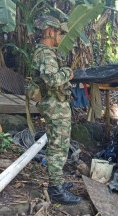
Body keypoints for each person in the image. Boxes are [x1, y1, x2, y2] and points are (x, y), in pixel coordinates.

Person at [32, 15, 81, 204]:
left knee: (59, 145)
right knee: (57, 147)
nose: (60, 37)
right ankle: (56, 190)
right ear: (50, 31)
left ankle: (58, 182)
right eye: (60, 33)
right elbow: (52, 80)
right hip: (54, 106)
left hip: (55, 105)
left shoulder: (46, 52)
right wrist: (68, 72)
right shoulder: (45, 54)